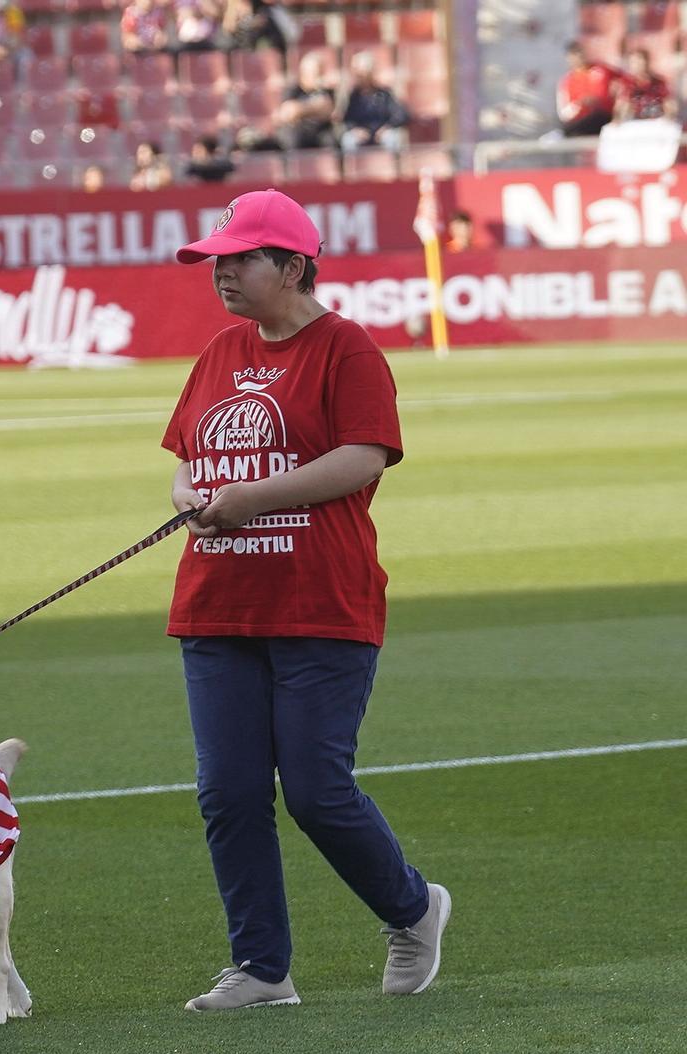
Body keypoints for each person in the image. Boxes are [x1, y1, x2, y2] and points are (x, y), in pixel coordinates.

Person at [162, 189, 450, 1012]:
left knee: (318, 790)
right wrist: (190, 493)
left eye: (240, 258)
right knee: (229, 790)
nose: (222, 272)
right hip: (217, 603)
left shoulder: (346, 349)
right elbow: (188, 456)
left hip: (320, 601)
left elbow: (364, 456)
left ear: (292, 265)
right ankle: (261, 967)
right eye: (217, 259)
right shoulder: (220, 350)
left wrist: (255, 496)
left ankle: (413, 909)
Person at [555, 41, 617, 138]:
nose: (579, 56)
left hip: (605, 116)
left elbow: (624, 80)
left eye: (580, 52)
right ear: (569, 58)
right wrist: (579, 104)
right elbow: (563, 113)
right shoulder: (567, 81)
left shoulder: (601, 70)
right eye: (575, 54)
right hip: (581, 121)